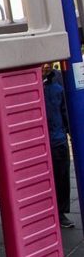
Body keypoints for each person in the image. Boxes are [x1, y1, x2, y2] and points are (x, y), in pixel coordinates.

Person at [42, 62, 74, 229]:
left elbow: (66, 109)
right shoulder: (30, 83)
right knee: (42, 178)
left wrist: (70, 131)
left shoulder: (58, 80)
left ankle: (60, 212)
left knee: (61, 175)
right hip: (39, 141)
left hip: (57, 137)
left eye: (48, 63)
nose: (46, 66)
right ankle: (44, 211)